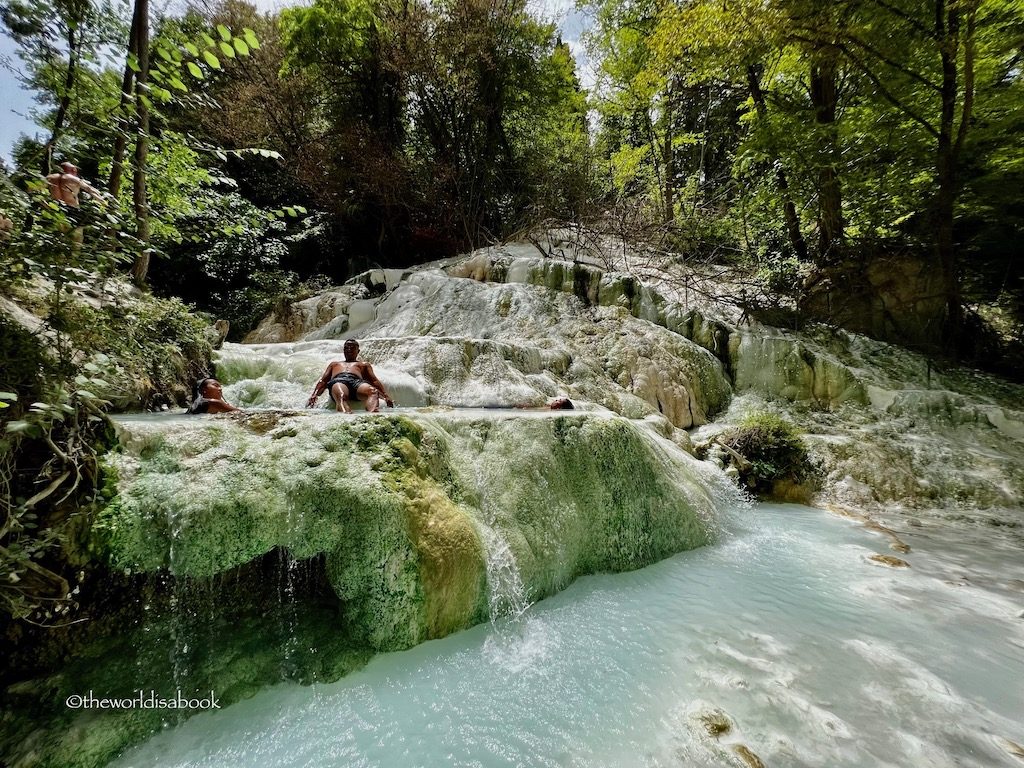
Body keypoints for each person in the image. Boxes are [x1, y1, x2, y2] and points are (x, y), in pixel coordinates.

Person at [306, 339, 395, 413]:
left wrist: (385, 396)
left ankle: (373, 415)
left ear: (358, 351)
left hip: (356, 382)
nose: (349, 350)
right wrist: (315, 395)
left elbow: (374, 381)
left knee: (373, 391)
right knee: (341, 395)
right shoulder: (334, 364)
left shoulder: (364, 365)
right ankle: (347, 416)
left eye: (352, 348)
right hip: (339, 380)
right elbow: (323, 381)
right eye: (346, 348)